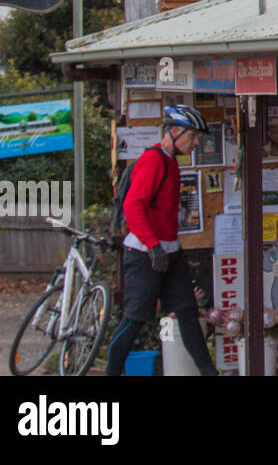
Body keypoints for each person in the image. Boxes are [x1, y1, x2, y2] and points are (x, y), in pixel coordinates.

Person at [106, 104, 218, 376]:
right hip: (146, 251)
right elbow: (134, 205)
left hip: (168, 250)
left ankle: (208, 373)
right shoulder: (153, 159)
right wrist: (153, 245)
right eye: (192, 136)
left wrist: (165, 247)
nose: (195, 143)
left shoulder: (170, 162)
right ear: (175, 131)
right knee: (135, 318)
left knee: (187, 313)